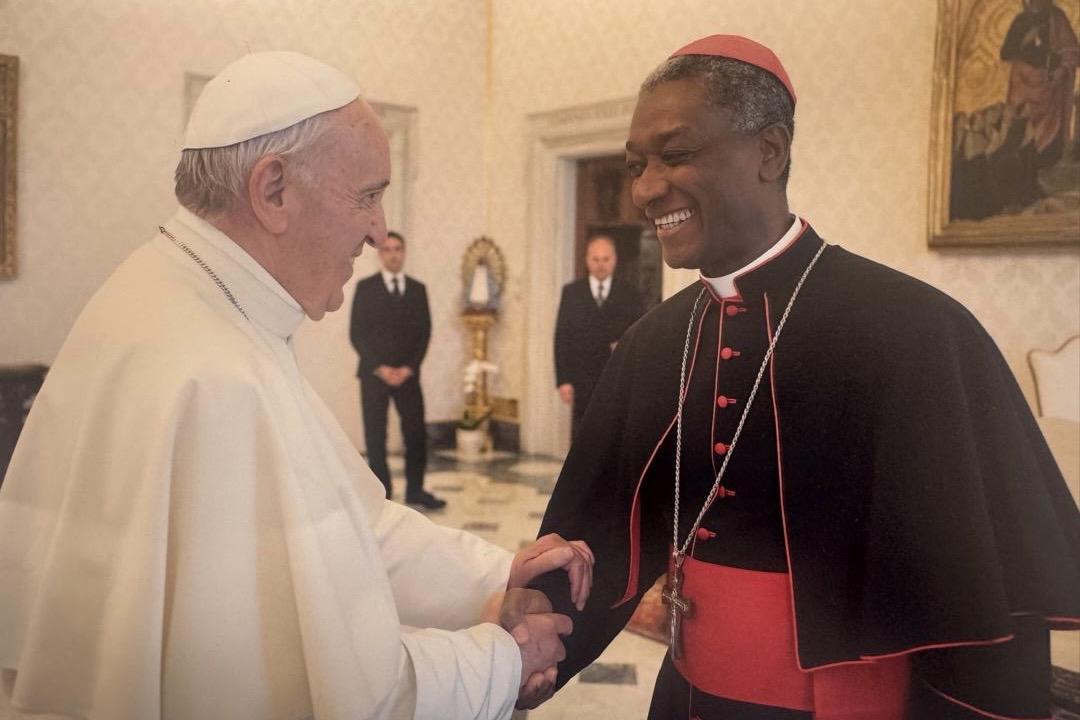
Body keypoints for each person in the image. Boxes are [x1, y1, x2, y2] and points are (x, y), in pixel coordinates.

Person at [0, 51, 593, 720]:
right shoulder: (214, 374)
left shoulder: (186, 296)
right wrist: (503, 662)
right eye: (367, 195)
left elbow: (346, 524)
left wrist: (494, 574)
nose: (379, 229)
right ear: (273, 189)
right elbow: (338, 696)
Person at [526, 35, 1080, 719]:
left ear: (770, 151)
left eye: (675, 155)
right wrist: (533, 651)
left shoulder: (916, 333)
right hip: (686, 700)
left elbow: (979, 608)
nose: (645, 189)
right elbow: (596, 536)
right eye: (637, 165)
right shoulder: (653, 343)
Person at [350, 230, 444, 509]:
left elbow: (424, 333)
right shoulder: (365, 288)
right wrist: (379, 367)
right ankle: (383, 493)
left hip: (407, 376)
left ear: (404, 253)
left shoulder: (417, 289)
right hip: (374, 374)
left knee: (415, 433)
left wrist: (408, 368)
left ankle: (416, 490)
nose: (393, 254)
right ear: (380, 254)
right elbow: (357, 333)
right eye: (387, 249)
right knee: (375, 436)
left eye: (397, 249)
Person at [553, 234, 644, 434]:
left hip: (618, 376)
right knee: (584, 433)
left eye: (606, 259)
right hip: (582, 378)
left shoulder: (630, 293)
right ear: (587, 260)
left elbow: (641, 336)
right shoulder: (572, 293)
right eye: (595, 259)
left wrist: (624, 346)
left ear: (614, 260)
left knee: (614, 432)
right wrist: (563, 380)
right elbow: (562, 337)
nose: (601, 265)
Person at [1000, 0, 1079, 170]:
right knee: (1020, 122)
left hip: (1050, 85)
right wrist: (1025, 40)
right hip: (1022, 81)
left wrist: (1062, 69)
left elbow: (1072, 50)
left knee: (1049, 138)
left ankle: (1045, 162)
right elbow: (1006, 52)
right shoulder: (1021, 20)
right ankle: (1018, 165)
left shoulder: (1057, 18)